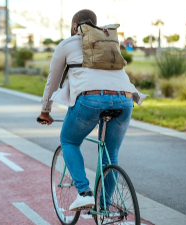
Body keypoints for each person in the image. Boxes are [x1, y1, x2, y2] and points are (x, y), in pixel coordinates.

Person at [37, 9, 146, 211]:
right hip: (125, 99)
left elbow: (53, 81)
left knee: (68, 140)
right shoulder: (107, 41)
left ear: (74, 26)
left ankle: (84, 193)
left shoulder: (67, 44)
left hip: (90, 100)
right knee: (111, 153)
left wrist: (45, 111)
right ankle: (103, 208)